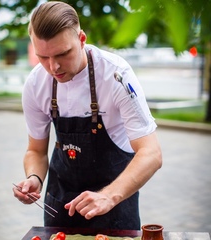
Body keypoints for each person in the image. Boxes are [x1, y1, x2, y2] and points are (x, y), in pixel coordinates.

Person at [13, 1, 162, 231]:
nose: (53, 67)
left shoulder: (116, 76)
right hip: (61, 204)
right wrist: (35, 178)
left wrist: (108, 196)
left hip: (115, 202)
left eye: (63, 54)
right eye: (43, 57)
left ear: (82, 39)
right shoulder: (35, 84)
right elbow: (35, 150)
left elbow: (151, 153)